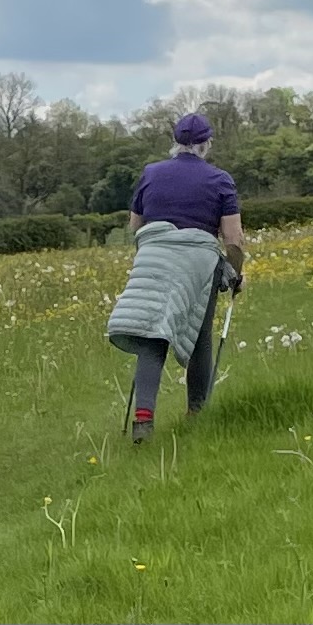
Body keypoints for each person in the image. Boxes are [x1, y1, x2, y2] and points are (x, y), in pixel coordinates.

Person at [107, 113, 245, 444]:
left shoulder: (151, 174)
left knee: (152, 333)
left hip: (153, 255)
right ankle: (197, 413)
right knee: (199, 336)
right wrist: (236, 273)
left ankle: (143, 419)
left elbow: (135, 225)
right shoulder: (220, 179)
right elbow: (234, 240)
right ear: (206, 143)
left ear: (176, 142)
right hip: (198, 260)